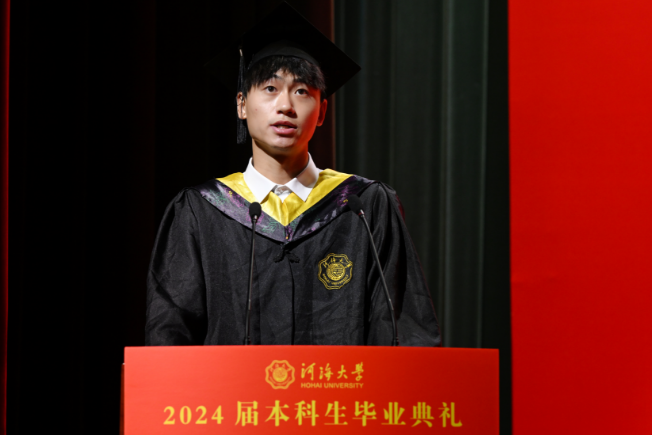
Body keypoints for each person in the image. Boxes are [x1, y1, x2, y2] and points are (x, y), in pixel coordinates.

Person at [145, 2, 440, 347]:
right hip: (235, 387)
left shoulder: (364, 206)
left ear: (322, 111)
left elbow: (406, 332)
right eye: (270, 88)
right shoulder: (201, 211)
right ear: (241, 104)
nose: (286, 105)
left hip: (336, 386)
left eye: (302, 91)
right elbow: (169, 339)